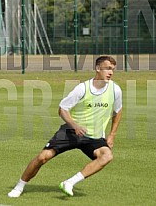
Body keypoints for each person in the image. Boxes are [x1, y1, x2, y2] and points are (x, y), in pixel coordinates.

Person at [8, 55, 123, 198]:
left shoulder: (115, 90)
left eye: (112, 69)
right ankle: (19, 186)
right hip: (71, 131)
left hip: (94, 137)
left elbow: (118, 111)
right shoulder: (82, 88)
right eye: (107, 68)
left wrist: (112, 135)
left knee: (107, 156)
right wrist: (74, 125)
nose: (111, 72)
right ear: (98, 69)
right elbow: (62, 109)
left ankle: (69, 183)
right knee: (43, 157)